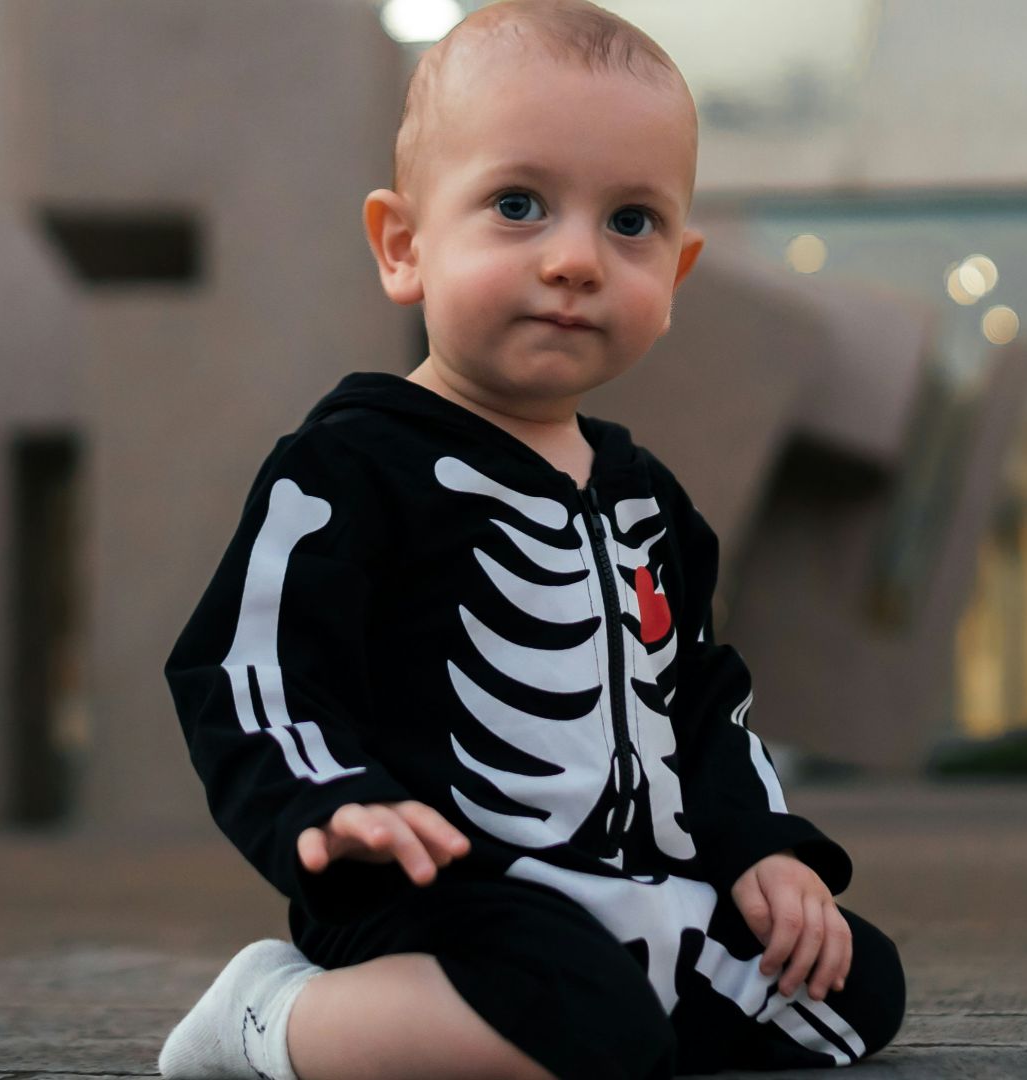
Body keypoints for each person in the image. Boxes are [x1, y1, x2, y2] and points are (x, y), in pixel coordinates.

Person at [155, 3, 904, 1077]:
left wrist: (765, 850)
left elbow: (702, 697)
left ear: (676, 279)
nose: (576, 260)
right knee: (573, 1008)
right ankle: (271, 1017)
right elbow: (248, 667)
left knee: (852, 983)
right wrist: (331, 804)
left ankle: (599, 1031)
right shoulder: (349, 468)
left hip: (644, 892)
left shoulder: (649, 499)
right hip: (442, 901)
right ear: (405, 246)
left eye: (631, 223)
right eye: (518, 205)